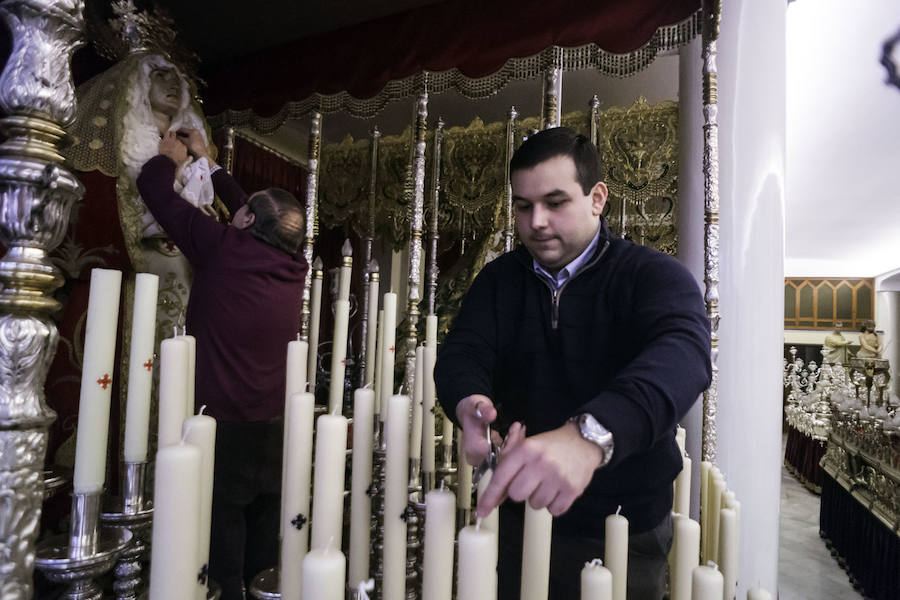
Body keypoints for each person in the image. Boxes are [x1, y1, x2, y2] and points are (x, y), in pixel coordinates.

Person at [434, 127, 711, 600]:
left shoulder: (651, 275)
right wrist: (468, 402)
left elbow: (684, 356)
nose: (536, 221)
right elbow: (464, 351)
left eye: (555, 202)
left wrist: (590, 436)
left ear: (597, 198)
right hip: (522, 518)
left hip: (625, 525)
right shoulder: (499, 279)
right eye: (523, 206)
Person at [136, 130, 308, 600]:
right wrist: (210, 164)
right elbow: (256, 216)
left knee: (222, 557)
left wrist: (168, 159)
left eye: (243, 209)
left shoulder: (222, 248)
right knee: (262, 553)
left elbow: (153, 190)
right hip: (273, 428)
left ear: (246, 219)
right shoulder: (297, 266)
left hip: (223, 428)